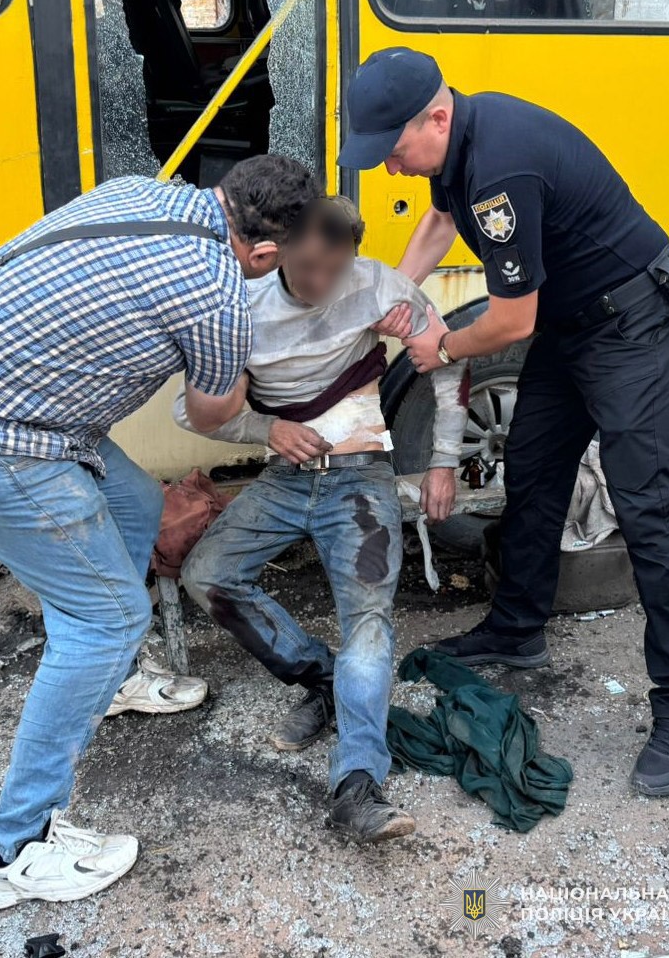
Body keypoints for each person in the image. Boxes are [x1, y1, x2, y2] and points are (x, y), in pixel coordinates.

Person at [0, 155, 320, 909]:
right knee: (109, 615)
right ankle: (10, 852)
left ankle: (110, 681)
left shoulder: (136, 192)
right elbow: (211, 414)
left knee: (136, 504)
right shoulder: (218, 289)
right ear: (264, 253)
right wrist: (249, 368)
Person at [338, 47, 669, 798]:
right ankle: (517, 629)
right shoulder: (459, 143)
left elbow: (511, 321)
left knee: (646, 508)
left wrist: (440, 346)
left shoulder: (500, 171)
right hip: (575, 326)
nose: (389, 167)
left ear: (436, 117)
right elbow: (437, 220)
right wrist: (388, 299)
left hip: (636, 325)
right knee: (536, 468)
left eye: (393, 150)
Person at [176, 197, 469, 842]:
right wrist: (267, 428)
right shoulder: (240, 305)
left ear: (353, 255)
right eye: (306, 266)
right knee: (208, 577)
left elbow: (448, 367)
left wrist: (444, 462)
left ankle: (357, 783)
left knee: (368, 618)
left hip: (360, 479)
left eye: (334, 269)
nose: (319, 282)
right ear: (278, 251)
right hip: (285, 479)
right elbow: (188, 410)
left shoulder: (378, 287)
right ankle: (325, 678)